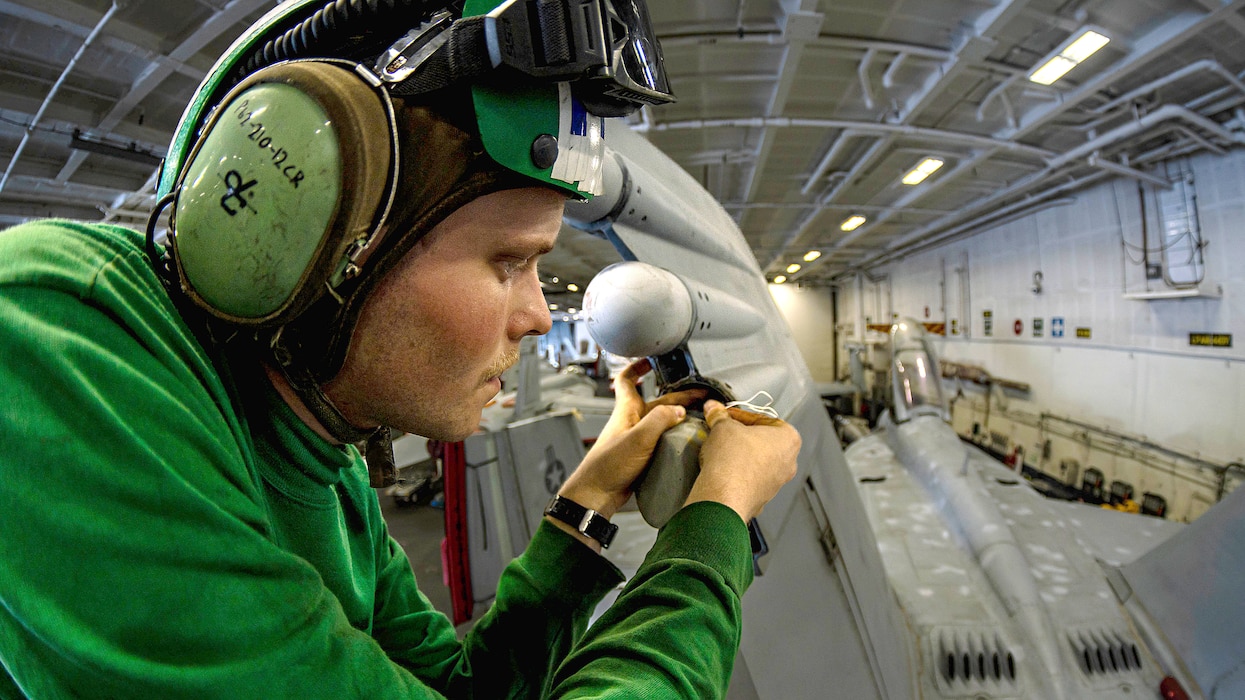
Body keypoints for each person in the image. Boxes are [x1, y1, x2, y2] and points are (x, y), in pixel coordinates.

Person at [0, 0, 800, 697]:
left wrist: (579, 514)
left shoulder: (326, 453)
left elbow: (460, 689)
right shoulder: (46, 333)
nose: (534, 314)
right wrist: (711, 529)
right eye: (508, 262)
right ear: (315, 228)